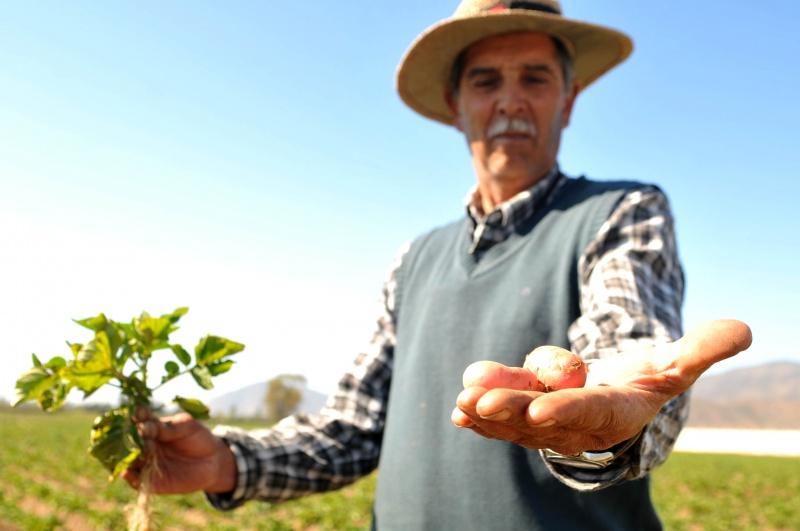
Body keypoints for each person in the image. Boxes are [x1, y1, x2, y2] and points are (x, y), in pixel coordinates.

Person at [125, 1, 752, 529]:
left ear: (569, 99)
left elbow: (625, 339)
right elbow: (354, 427)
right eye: (486, 81)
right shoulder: (415, 259)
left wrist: (606, 427)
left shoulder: (620, 213)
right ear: (456, 105)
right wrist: (230, 462)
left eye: (535, 78)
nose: (510, 101)